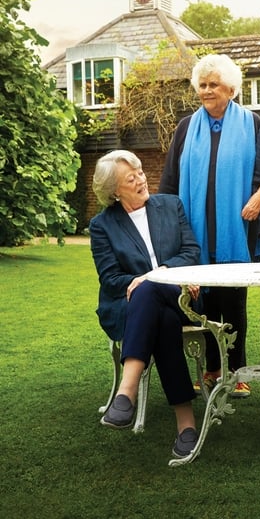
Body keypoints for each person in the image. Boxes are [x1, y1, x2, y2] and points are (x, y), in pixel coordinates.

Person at [158, 54, 260, 398]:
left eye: (213, 85)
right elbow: (170, 182)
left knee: (233, 301)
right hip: (195, 231)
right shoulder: (186, 127)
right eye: (202, 85)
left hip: (237, 230)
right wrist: (169, 227)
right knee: (202, 302)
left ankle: (237, 371)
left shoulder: (253, 124)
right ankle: (211, 370)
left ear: (231, 89)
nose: (206, 91)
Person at [89, 149, 201, 459]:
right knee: (162, 320)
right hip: (130, 305)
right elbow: (111, 278)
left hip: (179, 294)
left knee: (151, 287)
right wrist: (144, 283)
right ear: (114, 191)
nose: (141, 179)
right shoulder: (102, 225)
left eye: (140, 171)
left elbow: (191, 252)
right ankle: (186, 424)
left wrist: (155, 275)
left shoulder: (170, 205)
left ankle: (127, 392)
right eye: (131, 177)